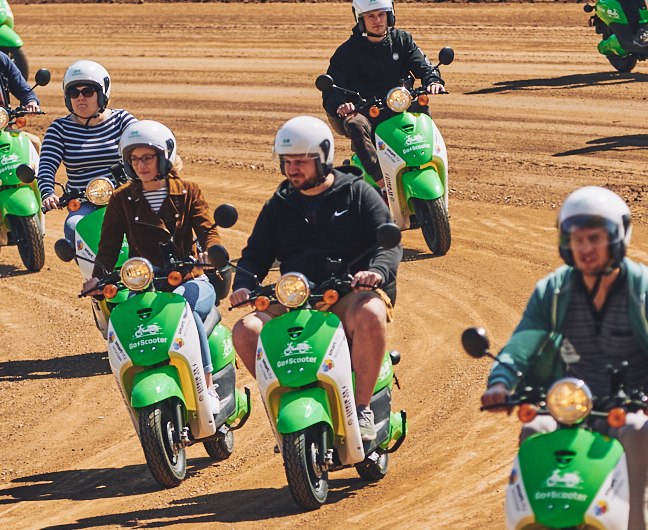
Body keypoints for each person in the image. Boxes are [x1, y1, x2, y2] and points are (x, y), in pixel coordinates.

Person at [478, 188, 648, 530]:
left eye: (594, 238)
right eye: (577, 239)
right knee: (534, 427)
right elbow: (520, 346)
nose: (585, 248)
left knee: (638, 431)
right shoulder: (553, 291)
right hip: (570, 408)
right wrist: (501, 382)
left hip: (634, 406)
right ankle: (546, 529)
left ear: (618, 237)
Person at [229, 116, 400, 445]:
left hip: (347, 294)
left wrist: (376, 272)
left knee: (371, 313)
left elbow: (388, 243)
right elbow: (255, 255)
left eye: (301, 162)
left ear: (323, 157)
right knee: (245, 331)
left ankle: (362, 408)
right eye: (287, 162)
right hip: (296, 299)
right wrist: (243, 284)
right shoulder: (280, 204)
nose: (292, 170)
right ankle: (287, 400)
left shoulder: (357, 193)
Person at [80, 121, 224, 410]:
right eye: (134, 159)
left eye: (147, 157)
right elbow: (108, 248)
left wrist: (210, 253)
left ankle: (207, 386)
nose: (140, 165)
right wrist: (98, 278)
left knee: (183, 308)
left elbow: (208, 230)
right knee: (127, 319)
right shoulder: (122, 199)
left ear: (165, 157)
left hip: (190, 280)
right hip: (146, 285)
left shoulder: (189, 191)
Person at [320, 0, 446, 185]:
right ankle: (380, 182)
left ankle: (429, 163)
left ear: (390, 16)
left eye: (381, 15)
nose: (377, 20)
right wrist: (340, 105)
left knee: (423, 108)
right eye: (370, 16)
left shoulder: (402, 41)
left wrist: (433, 81)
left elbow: (424, 66)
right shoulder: (346, 53)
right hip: (369, 113)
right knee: (354, 123)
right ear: (360, 19)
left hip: (402, 106)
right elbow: (332, 89)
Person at [37, 60, 135, 251]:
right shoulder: (59, 129)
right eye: (74, 93)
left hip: (124, 198)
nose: (80, 97)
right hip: (84, 202)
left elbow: (143, 147)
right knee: (74, 227)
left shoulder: (123, 121)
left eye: (88, 92)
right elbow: (47, 165)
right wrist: (48, 193)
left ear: (102, 94)